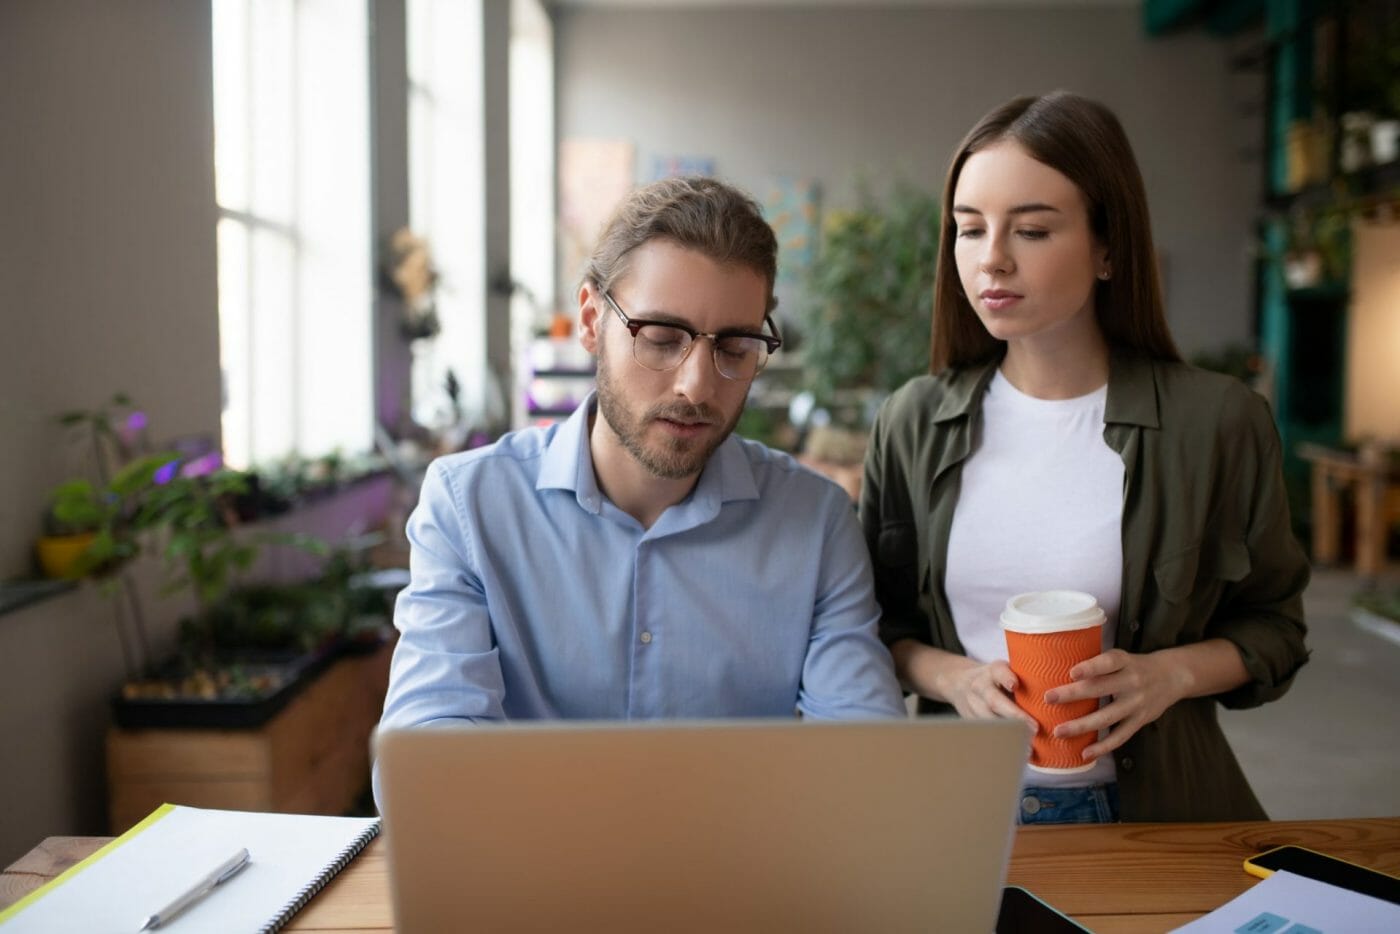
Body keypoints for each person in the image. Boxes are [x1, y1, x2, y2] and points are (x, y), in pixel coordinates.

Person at [375, 177, 904, 807]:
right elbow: (425, 766)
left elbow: (865, 763)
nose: (697, 385)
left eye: (735, 346)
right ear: (593, 320)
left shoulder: (815, 523)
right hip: (531, 885)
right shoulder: (470, 507)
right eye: (661, 337)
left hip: (743, 886)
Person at [860, 91, 1310, 824]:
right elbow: (872, 627)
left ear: (1108, 248)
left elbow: (1276, 629)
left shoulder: (1217, 422)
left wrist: (1169, 674)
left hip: (1160, 813)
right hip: (962, 810)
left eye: (1032, 230)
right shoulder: (912, 423)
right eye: (969, 230)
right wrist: (955, 677)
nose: (992, 259)